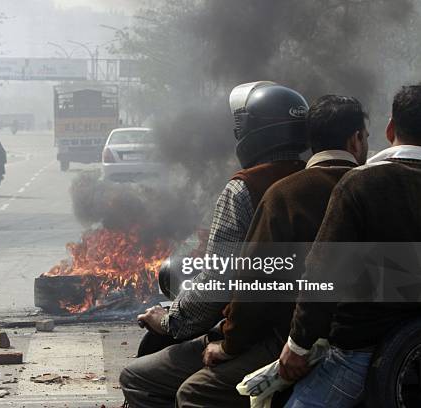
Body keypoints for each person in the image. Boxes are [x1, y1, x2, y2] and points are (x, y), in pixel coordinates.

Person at [120, 81, 309, 408]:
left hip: (258, 335)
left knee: (137, 376)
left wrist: (167, 320)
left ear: (249, 130)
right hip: (306, 330)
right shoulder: (315, 179)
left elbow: (216, 284)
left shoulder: (243, 189)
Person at [174, 95, 368, 408]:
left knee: (192, 394)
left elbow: (253, 284)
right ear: (357, 139)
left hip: (295, 341)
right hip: (371, 342)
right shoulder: (375, 184)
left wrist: (229, 346)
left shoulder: (284, 193)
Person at [279, 85, 421, 407]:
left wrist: (298, 345)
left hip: (360, 355)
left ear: (389, 129)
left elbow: (324, 272)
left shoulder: (361, 184)